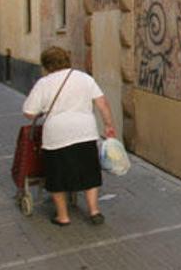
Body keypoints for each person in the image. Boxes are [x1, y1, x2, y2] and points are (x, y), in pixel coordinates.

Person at [22, 46, 116, 226]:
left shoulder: (44, 83)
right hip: (85, 132)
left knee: (57, 176)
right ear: (67, 59)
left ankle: (63, 216)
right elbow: (102, 103)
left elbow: (29, 112)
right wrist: (109, 126)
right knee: (89, 172)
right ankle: (94, 211)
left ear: (46, 64)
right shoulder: (84, 78)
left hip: (57, 136)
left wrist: (43, 110)